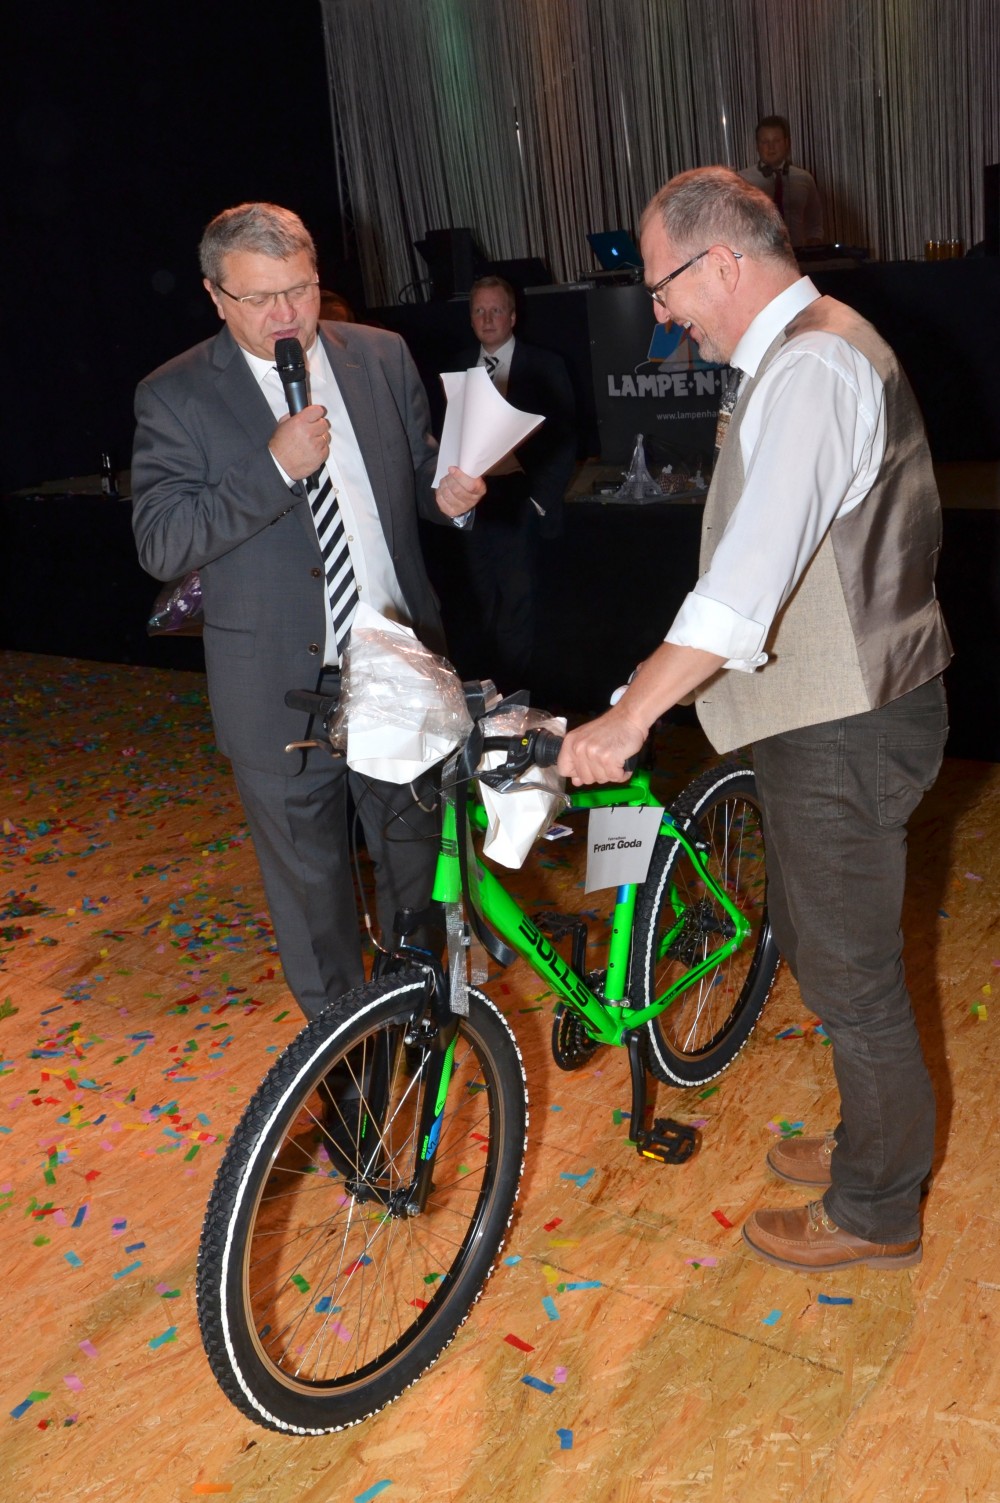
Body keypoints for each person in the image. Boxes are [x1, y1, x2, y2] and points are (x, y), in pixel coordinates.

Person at [558, 167, 951, 1274]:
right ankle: (872, 1141)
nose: (660, 312)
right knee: (830, 955)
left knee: (852, 977)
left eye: (662, 285)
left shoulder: (815, 364)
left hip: (847, 724)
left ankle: (877, 1207)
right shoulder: (798, 354)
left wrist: (632, 714)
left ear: (721, 262)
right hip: (829, 715)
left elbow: (745, 584)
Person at [132, 202, 484, 1021]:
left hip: (400, 671)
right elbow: (162, 541)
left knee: (419, 883)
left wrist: (449, 497)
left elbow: (417, 477)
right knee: (315, 914)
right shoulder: (176, 394)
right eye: (259, 298)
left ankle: (418, 1038)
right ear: (216, 296)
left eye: (300, 288)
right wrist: (273, 468)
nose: (287, 313)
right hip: (278, 697)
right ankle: (349, 1075)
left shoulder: (380, 355)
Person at [447, 276, 576, 691]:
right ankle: (482, 693)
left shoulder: (545, 365)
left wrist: (538, 501)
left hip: (521, 500)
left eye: (496, 310)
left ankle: (514, 697)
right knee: (477, 601)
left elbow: (565, 439)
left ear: (513, 316)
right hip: (471, 504)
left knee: (518, 605)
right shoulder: (457, 367)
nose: (487, 319)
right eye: (479, 311)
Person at [740, 115, 824, 248]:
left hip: (798, 253)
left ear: (786, 143)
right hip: (759, 255)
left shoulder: (804, 178)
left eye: (776, 141)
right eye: (765, 142)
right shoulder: (741, 181)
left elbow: (815, 222)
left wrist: (814, 246)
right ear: (757, 146)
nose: (771, 147)